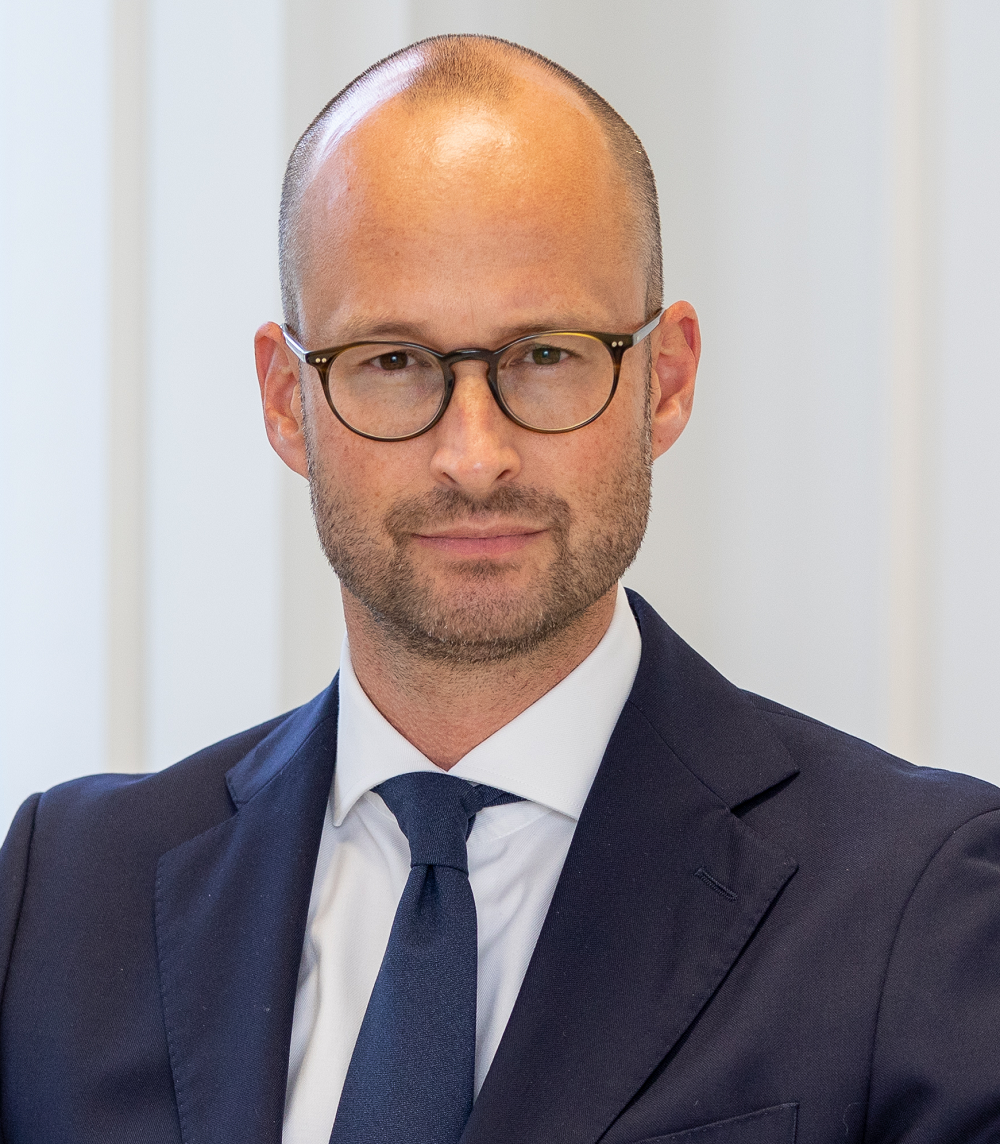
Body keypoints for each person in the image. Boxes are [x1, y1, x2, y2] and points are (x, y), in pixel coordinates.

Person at [1, 33, 999, 1144]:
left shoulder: (921, 902)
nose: (474, 457)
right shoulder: (64, 896)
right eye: (392, 361)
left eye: (547, 354)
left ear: (664, 381)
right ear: (286, 401)